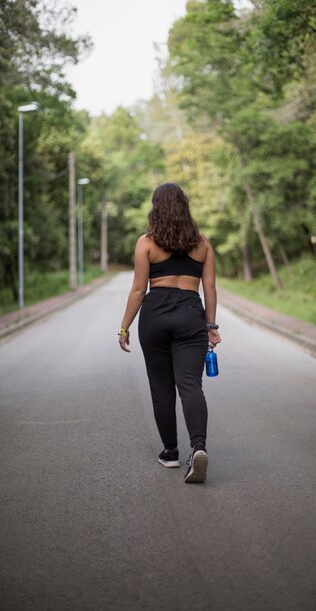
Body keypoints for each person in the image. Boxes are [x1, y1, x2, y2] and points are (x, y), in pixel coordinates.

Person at [118, 182, 221, 483]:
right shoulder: (202, 243)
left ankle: (170, 452)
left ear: (155, 208)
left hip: (156, 314)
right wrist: (211, 325)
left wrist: (124, 326)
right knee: (190, 385)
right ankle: (198, 448)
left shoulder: (146, 243)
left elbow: (139, 290)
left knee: (161, 387)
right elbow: (210, 287)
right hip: (191, 312)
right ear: (185, 207)